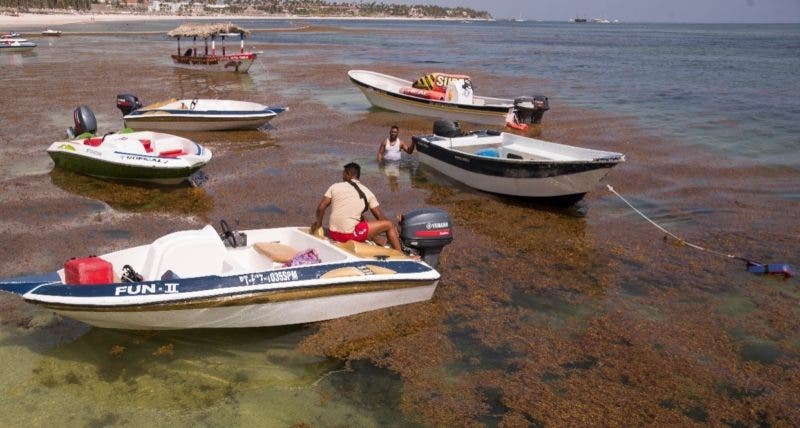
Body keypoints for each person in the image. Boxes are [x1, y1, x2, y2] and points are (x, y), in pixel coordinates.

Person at [311, 162, 403, 251]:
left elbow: (321, 207)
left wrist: (318, 225)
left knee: (361, 217)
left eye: (343, 175)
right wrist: (394, 230)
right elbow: (380, 217)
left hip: (333, 233)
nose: (342, 177)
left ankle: (377, 240)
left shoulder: (335, 186)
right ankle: (400, 254)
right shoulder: (367, 192)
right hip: (348, 236)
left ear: (347, 174)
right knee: (389, 224)